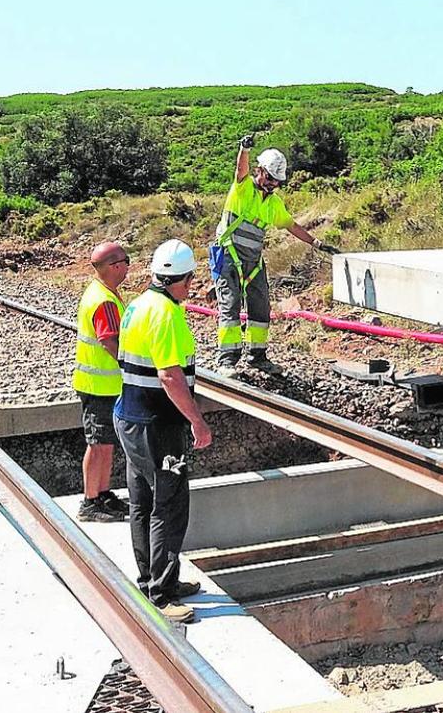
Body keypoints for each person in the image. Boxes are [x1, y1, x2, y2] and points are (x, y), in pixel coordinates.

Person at [113, 239, 213, 623]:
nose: (191, 287)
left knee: (141, 502)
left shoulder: (137, 305)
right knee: (169, 506)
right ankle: (163, 593)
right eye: (190, 281)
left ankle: (150, 579)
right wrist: (197, 420)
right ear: (182, 279)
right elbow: (170, 376)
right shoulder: (168, 315)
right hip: (159, 426)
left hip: (130, 418)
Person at [213, 135, 340, 376]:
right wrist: (245, 149)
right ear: (259, 171)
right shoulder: (243, 189)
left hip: (252, 260)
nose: (273, 184)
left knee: (260, 308)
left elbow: (292, 226)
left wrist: (317, 243)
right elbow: (240, 170)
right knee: (230, 307)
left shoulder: (274, 204)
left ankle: (256, 355)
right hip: (228, 256)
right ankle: (226, 361)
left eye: (277, 181)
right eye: (270, 178)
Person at [73, 242, 131, 522]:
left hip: (101, 384)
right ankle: (90, 501)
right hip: (99, 386)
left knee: (105, 442)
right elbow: (109, 340)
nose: (128, 268)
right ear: (115, 266)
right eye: (125, 261)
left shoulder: (101, 291)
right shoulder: (104, 300)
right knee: (98, 444)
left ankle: (103, 494)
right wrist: (131, 365)